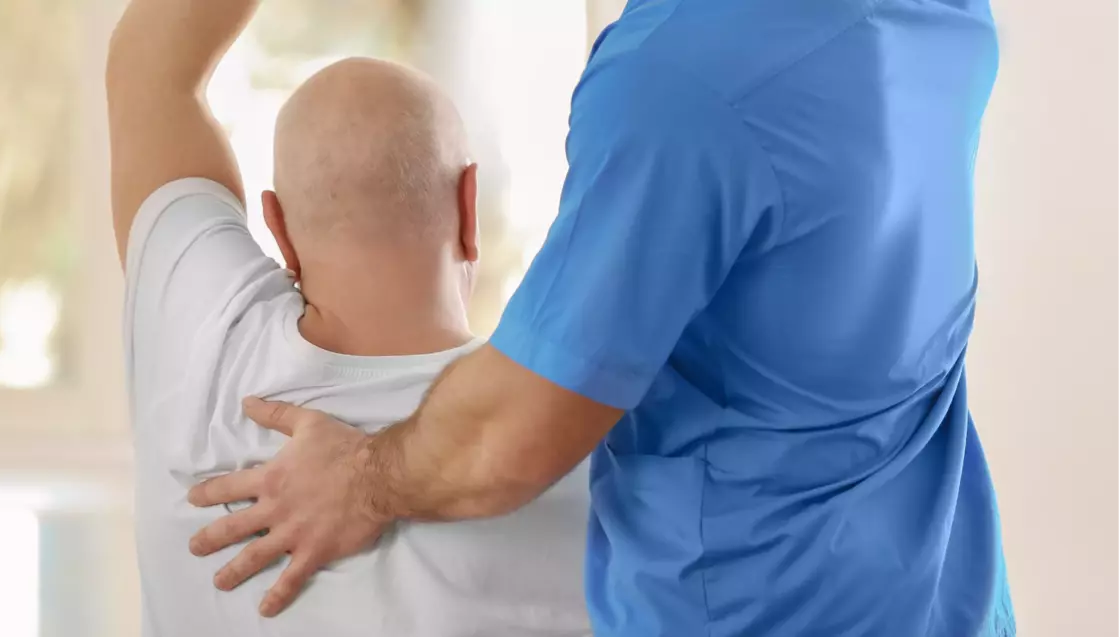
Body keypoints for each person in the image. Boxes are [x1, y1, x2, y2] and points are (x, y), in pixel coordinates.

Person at [187, 0, 1019, 635]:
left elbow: (510, 434)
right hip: (945, 601)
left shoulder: (681, 77)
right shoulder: (939, 15)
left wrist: (362, 478)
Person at [105, 0, 593, 635]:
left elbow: (149, 68)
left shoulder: (198, 341)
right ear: (468, 207)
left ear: (278, 226)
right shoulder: (578, 437)